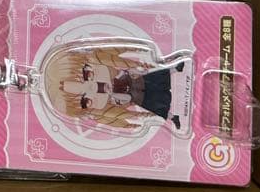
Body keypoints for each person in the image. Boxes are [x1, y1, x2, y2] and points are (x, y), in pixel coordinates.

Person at [44, 44, 187, 132]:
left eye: (88, 74)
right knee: (155, 106)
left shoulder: (121, 72)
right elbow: (125, 103)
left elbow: (130, 70)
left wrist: (130, 70)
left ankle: (175, 68)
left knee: (157, 77)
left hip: (138, 81)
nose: (94, 87)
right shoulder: (112, 103)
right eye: (86, 100)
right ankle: (173, 117)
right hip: (139, 98)